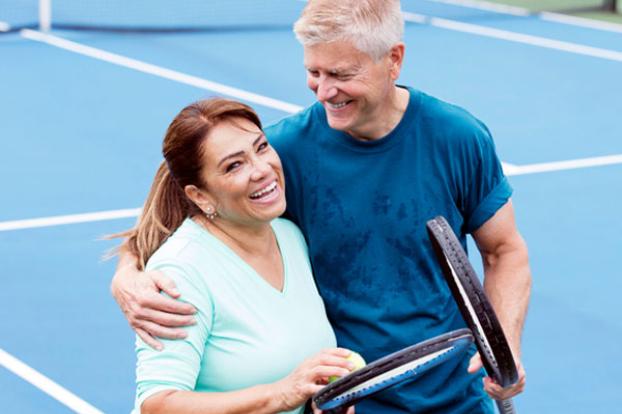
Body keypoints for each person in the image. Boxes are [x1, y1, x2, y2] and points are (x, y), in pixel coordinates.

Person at [111, 1, 532, 412]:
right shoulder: (280, 151)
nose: (324, 91)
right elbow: (187, 194)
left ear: (394, 59)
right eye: (314, 72)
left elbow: (504, 251)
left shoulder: (459, 137)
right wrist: (128, 270)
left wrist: (504, 340)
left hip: (458, 395)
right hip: (348, 399)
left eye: (341, 74)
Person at [116, 98, 356, 414]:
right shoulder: (179, 273)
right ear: (200, 196)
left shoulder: (289, 235)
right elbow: (158, 405)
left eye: (261, 147)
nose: (262, 169)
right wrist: (282, 394)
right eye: (234, 165)